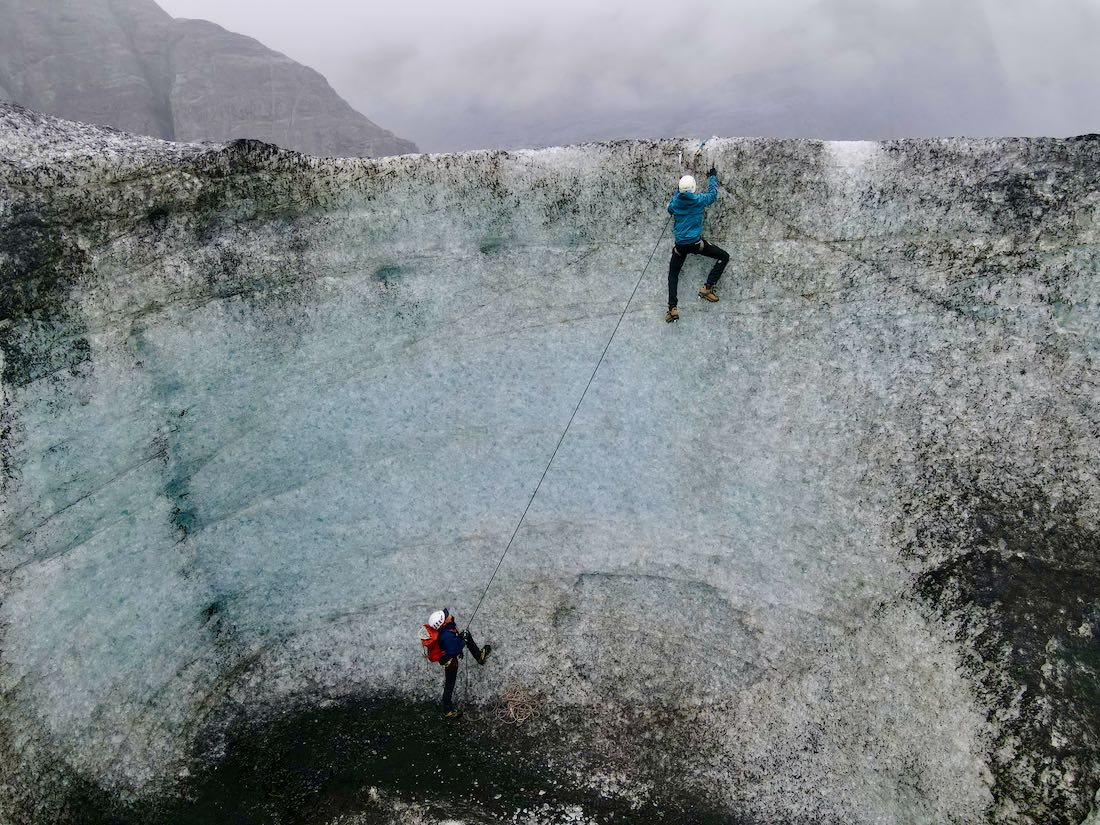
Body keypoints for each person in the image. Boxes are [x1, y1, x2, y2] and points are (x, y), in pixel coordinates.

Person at [665, 167, 730, 322]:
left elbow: (669, 208)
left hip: (680, 247)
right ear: (693, 188)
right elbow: (712, 195)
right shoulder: (699, 200)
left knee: (673, 274)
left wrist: (678, 192)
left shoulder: (675, 203)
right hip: (696, 244)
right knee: (724, 257)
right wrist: (712, 177)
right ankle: (707, 287)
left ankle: (672, 308)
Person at [420, 608, 492, 718]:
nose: (449, 614)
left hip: (448, 654)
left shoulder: (446, 629)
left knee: (467, 635)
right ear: (443, 623)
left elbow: (452, 645)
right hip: (450, 662)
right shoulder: (447, 636)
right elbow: (454, 651)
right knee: (450, 684)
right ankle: (447, 710)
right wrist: (462, 641)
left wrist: (461, 638)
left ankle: (479, 657)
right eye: (447, 615)